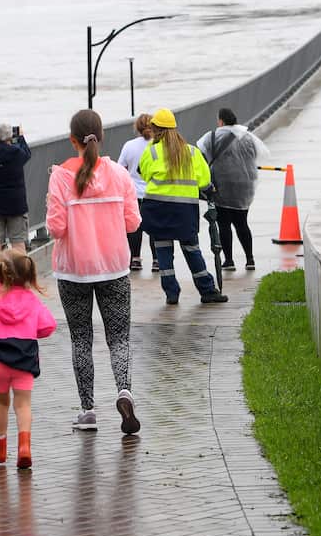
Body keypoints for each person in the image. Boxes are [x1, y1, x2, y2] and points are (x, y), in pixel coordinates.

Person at [46, 109, 143, 434]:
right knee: (119, 338)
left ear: (72, 139)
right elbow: (133, 222)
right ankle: (124, 391)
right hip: (114, 268)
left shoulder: (60, 176)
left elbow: (57, 228)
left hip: (73, 271)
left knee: (81, 340)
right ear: (100, 137)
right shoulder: (118, 174)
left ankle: (88, 411)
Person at [0, 249, 57, 470]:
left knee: (1, 403)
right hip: (25, 358)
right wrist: (31, 330)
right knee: (23, 404)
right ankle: (24, 447)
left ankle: (0, 448)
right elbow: (49, 325)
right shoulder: (32, 301)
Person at [138, 108, 227, 305]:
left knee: (163, 252)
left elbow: (144, 174)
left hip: (157, 210)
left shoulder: (151, 151)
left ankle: (171, 293)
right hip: (184, 211)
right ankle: (207, 290)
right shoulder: (192, 152)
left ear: (155, 129)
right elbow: (205, 183)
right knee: (192, 249)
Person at [196, 107, 269, 272]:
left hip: (222, 186)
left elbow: (200, 157)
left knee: (224, 224)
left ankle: (229, 261)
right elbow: (255, 155)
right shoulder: (247, 136)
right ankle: (250, 259)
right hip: (245, 187)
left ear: (221, 121)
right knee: (242, 222)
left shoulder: (211, 136)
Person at [0, 123, 32, 285]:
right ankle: (20, 275)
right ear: (10, 137)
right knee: (17, 240)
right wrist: (20, 137)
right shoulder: (16, 153)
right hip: (15, 205)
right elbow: (27, 154)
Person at [116, 113, 154, 271]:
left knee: (134, 228)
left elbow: (120, 168)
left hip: (134, 193)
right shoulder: (157, 145)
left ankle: (135, 258)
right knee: (154, 228)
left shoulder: (129, 146)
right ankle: (157, 260)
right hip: (154, 192)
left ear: (136, 128)